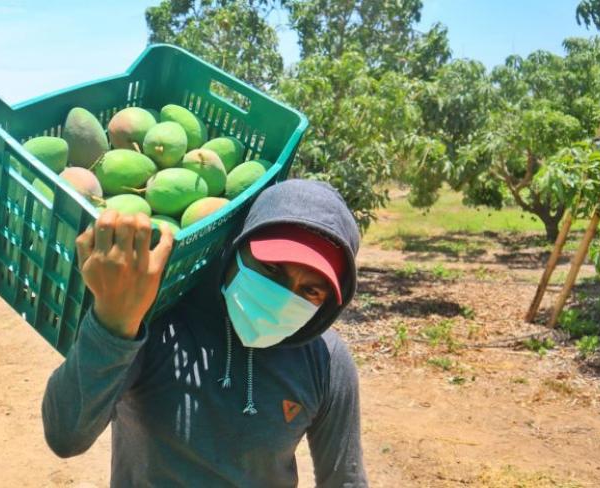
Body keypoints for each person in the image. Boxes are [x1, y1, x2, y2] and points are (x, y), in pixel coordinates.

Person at [42, 179, 368, 487]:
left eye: (310, 290)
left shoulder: (325, 361)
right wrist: (114, 321)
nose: (282, 299)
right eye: (271, 268)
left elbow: (344, 480)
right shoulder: (162, 325)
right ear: (237, 246)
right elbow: (66, 434)